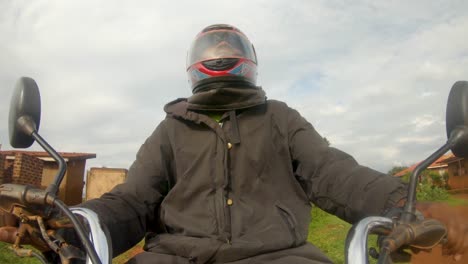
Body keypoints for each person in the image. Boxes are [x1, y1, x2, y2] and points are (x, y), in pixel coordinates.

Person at [1, 24, 467, 263]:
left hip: (280, 257)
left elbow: (331, 173)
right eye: (209, 51)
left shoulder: (280, 119)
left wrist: (408, 205)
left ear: (249, 61)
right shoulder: (171, 128)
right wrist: (73, 220)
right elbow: (134, 199)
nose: (219, 57)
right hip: (174, 259)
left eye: (229, 49)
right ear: (192, 66)